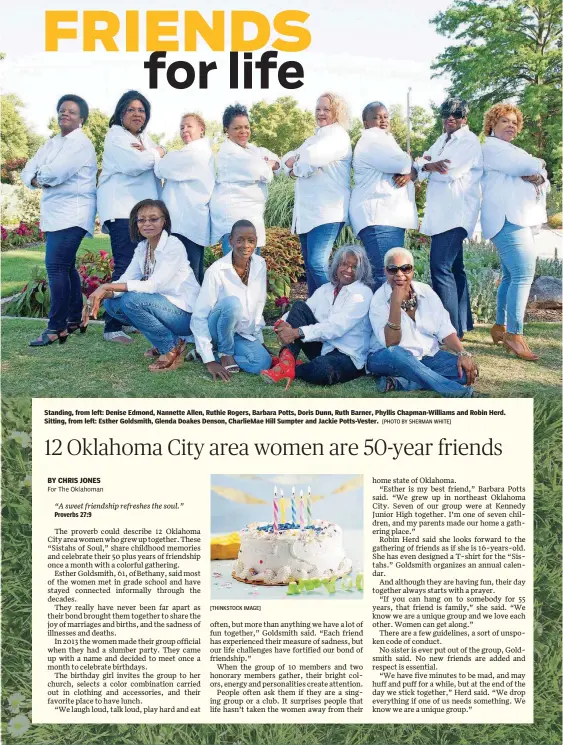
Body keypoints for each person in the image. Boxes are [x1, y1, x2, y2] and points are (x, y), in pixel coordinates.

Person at [88, 200, 200, 372]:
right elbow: (126, 279)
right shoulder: (143, 247)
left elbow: (153, 285)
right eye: (141, 220)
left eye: (153, 219)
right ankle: (169, 342)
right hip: (162, 307)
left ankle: (170, 348)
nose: (147, 223)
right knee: (112, 304)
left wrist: (106, 286)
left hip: (185, 315)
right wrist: (104, 294)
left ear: (164, 222)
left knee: (132, 300)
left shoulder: (174, 245)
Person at [22, 94, 97, 347]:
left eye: (72, 112)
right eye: (62, 110)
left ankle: (56, 327)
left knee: (55, 268)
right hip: (55, 215)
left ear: (81, 119)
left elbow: (55, 173)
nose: (65, 114)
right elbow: (27, 170)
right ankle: (74, 319)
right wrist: (34, 177)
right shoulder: (52, 143)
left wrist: (38, 176)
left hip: (73, 214)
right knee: (65, 268)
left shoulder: (80, 143)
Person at [481, 103, 549, 361]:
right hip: (507, 218)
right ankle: (514, 334)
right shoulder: (492, 148)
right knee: (523, 274)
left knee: (511, 275)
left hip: (516, 218)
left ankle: (500, 326)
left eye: (513, 122)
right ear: (492, 126)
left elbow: (540, 174)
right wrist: (537, 164)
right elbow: (527, 166)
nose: (510, 125)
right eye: (504, 121)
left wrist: (539, 174)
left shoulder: (512, 150)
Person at [97, 90, 165, 343]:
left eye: (142, 110)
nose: (138, 114)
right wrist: (156, 151)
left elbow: (153, 161)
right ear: (120, 113)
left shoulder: (144, 138)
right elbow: (134, 165)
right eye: (131, 110)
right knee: (125, 266)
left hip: (140, 214)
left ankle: (128, 319)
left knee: (140, 267)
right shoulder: (115, 137)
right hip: (122, 212)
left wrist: (155, 150)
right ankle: (111, 326)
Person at [366, 247, 479, 397]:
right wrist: (395, 304)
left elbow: (444, 328)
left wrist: (463, 353)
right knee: (397, 353)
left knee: (467, 372)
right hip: (387, 357)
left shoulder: (425, 291)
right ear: (386, 271)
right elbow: (391, 343)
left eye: (405, 268)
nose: (400, 274)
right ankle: (455, 392)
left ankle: (402, 382)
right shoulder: (379, 300)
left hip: (427, 357)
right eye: (393, 270)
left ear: (412, 271)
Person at [416, 97, 482, 338]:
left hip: (456, 213)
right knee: (455, 268)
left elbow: (449, 172)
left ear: (465, 118)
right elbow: (424, 164)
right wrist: (429, 165)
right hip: (442, 213)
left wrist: (428, 165)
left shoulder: (469, 141)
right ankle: (461, 325)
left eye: (456, 114)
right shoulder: (442, 139)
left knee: (440, 267)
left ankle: (448, 332)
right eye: (446, 114)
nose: (450, 118)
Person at [261, 245, 373, 388]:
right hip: (323, 347)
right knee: (299, 306)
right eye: (344, 264)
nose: (348, 270)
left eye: (354, 267)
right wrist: (282, 324)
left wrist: (297, 332)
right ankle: (285, 363)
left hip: (348, 356)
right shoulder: (326, 289)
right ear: (337, 265)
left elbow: (336, 327)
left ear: (361, 270)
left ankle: (290, 367)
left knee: (323, 370)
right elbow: (302, 311)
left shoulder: (362, 293)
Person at [282, 93, 352, 295]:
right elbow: (287, 158)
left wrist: (295, 165)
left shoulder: (337, 135)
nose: (321, 113)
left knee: (317, 263)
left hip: (327, 211)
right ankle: (315, 314)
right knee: (311, 267)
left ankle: (333, 307)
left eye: (326, 109)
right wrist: (296, 162)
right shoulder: (315, 137)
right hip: (309, 213)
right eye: (318, 109)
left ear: (336, 112)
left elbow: (310, 158)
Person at [191, 220, 272, 381]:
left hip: (239, 333)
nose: (246, 245)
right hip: (217, 328)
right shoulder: (216, 270)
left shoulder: (260, 264)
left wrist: (259, 340)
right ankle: (222, 353)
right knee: (232, 304)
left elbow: (258, 304)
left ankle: (208, 353)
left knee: (262, 363)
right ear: (230, 241)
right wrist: (210, 362)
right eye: (240, 240)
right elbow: (199, 317)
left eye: (251, 240)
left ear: (256, 241)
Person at [350, 101, 418, 289]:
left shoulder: (382, 140)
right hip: (379, 217)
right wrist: (409, 162)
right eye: (377, 117)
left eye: (385, 117)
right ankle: (386, 319)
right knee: (386, 275)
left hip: (385, 217)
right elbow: (401, 163)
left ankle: (388, 317)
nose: (382, 121)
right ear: (365, 122)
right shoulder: (373, 139)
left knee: (386, 274)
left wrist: (411, 171)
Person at [209, 104, 279, 256]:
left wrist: (270, 163)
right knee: (239, 271)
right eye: (237, 128)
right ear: (227, 130)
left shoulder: (250, 149)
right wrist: (267, 165)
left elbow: (276, 161)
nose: (244, 132)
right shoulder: (230, 154)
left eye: (246, 127)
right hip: (235, 219)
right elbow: (263, 173)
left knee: (251, 270)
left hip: (250, 218)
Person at [154, 113, 214, 285]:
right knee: (189, 273)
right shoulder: (192, 151)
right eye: (181, 127)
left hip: (187, 222)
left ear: (201, 129)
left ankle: (191, 311)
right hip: (185, 221)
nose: (184, 130)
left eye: (189, 126)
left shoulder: (197, 152)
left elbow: (163, 168)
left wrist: (159, 155)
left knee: (188, 275)